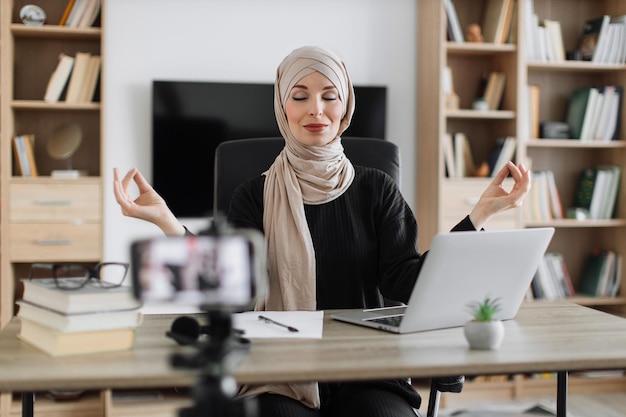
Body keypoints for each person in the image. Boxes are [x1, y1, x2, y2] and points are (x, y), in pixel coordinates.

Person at [113, 45, 530, 417]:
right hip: (276, 374)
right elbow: (228, 284)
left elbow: (407, 279)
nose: (316, 110)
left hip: (367, 370)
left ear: (346, 106)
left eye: (330, 96)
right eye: (300, 96)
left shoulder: (376, 188)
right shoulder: (254, 195)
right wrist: (167, 220)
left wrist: (478, 217)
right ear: (282, 106)